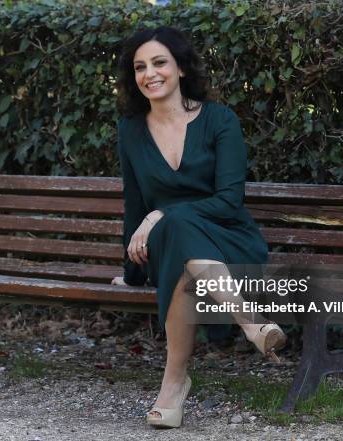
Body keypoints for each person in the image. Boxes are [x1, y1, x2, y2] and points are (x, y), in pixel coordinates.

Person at [111, 26, 287, 429]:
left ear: (181, 69)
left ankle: (174, 384)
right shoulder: (131, 130)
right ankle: (251, 324)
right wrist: (132, 273)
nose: (149, 74)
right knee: (177, 235)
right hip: (172, 243)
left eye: (159, 63)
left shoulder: (219, 120)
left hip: (229, 238)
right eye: (140, 67)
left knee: (178, 228)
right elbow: (135, 203)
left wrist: (161, 215)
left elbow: (229, 201)